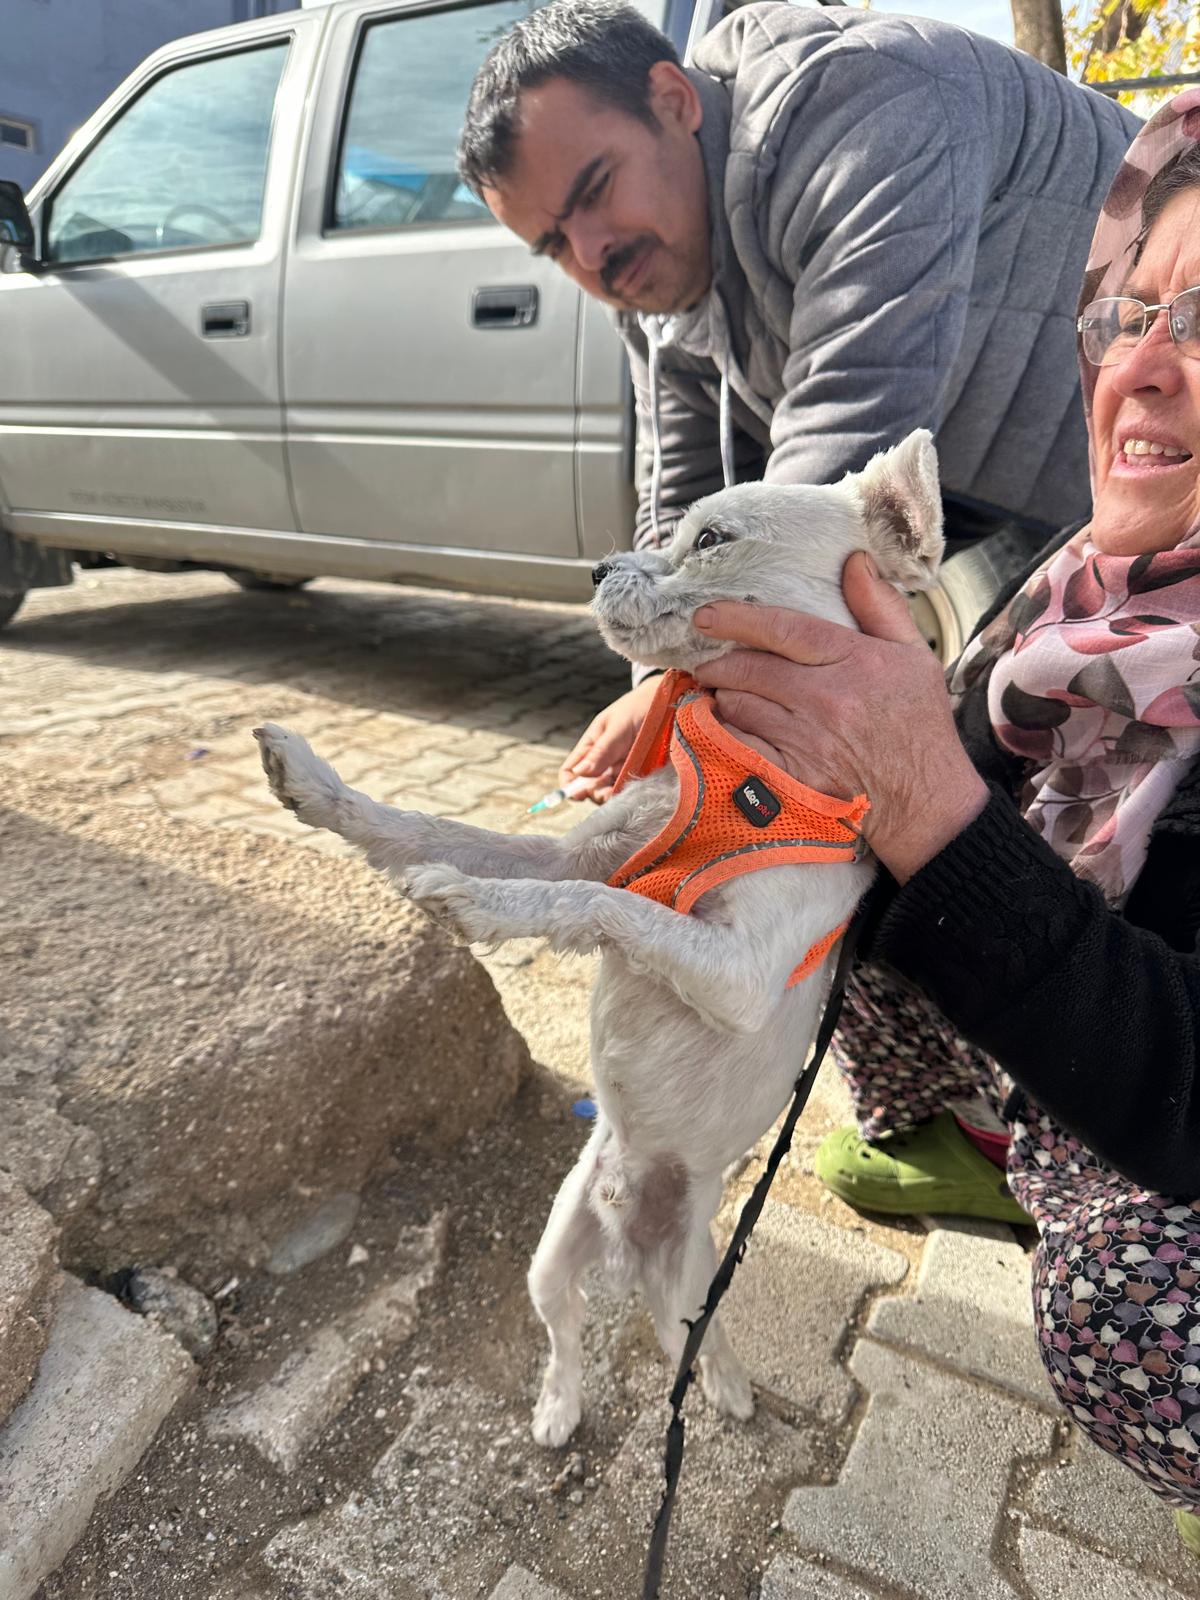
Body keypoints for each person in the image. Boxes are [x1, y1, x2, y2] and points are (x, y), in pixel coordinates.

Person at [686, 94, 1200, 1546]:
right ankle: (967, 1141)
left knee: (1135, 1310)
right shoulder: (1080, 590)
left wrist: (925, 794)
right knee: (842, 872)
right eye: (1135, 310)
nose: (1143, 367)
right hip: (1082, 1054)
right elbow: (934, 798)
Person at [458, 0, 1139, 799]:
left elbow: (827, 471)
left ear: (673, 100)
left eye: (596, 189)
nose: (591, 254)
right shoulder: (647, 270)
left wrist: (679, 696)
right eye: (552, 245)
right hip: (1068, 504)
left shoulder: (872, 102)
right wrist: (652, 683)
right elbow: (678, 503)